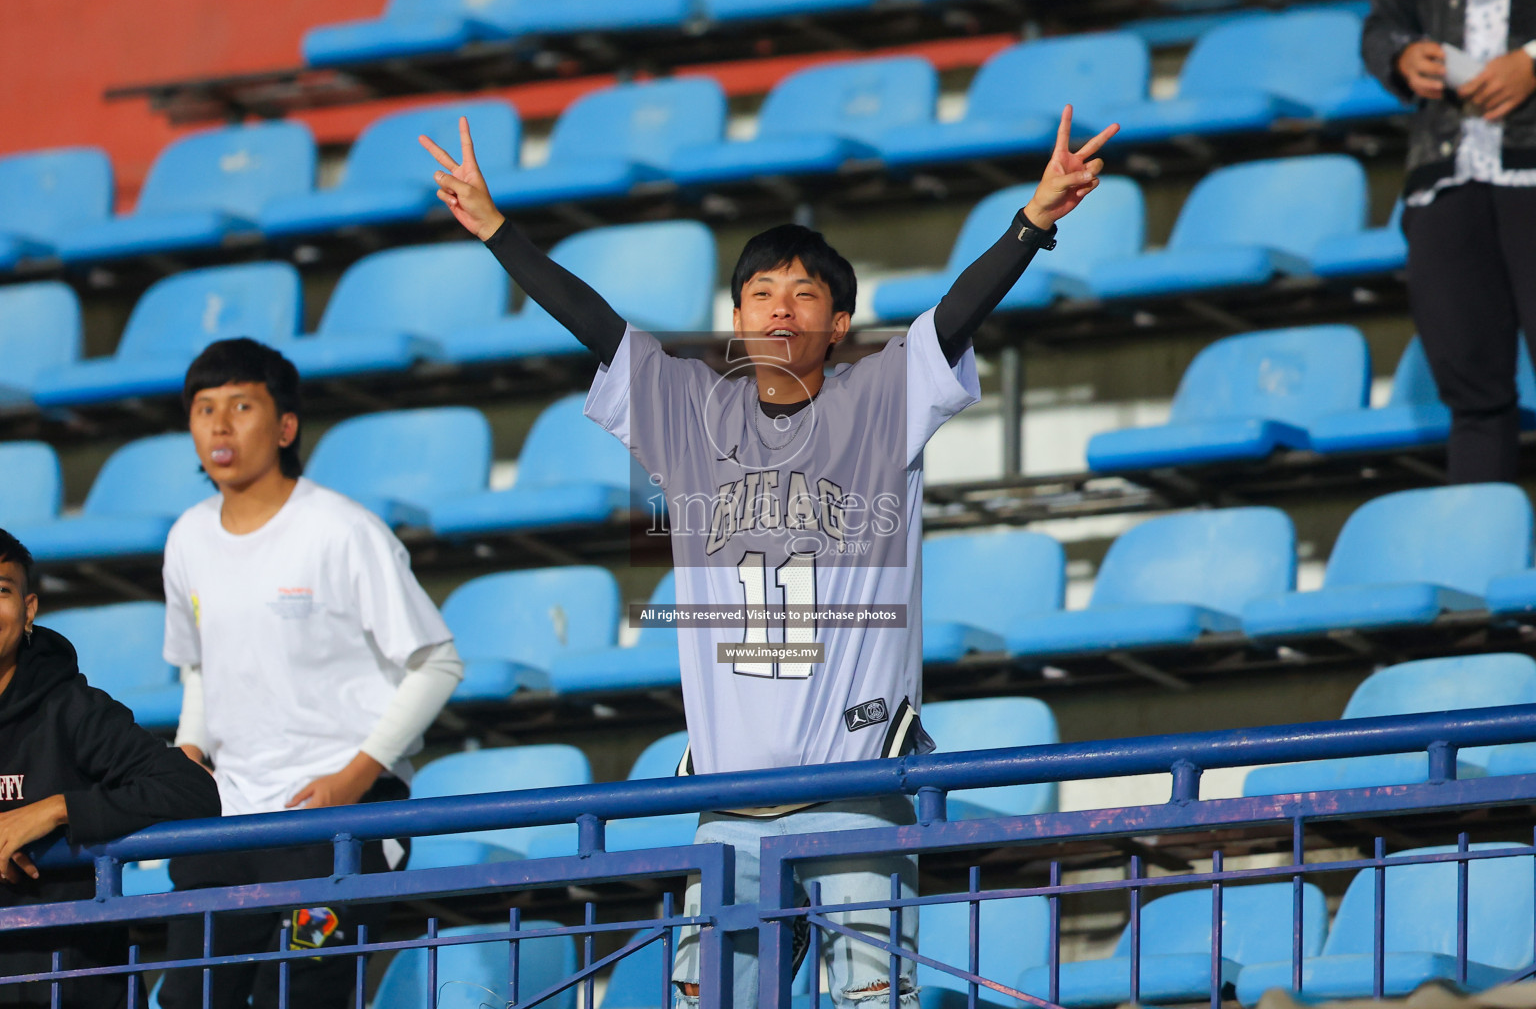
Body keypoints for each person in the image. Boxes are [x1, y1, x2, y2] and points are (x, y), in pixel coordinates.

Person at [421, 107, 1115, 1006]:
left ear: (839, 325)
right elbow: (597, 328)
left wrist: (1034, 222)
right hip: (726, 807)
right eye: (761, 293)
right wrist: (498, 232)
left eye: (805, 294)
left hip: (855, 796)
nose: (780, 308)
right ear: (738, 319)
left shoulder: (882, 400)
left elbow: (958, 313)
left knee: (873, 1001)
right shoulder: (687, 411)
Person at [157, 339, 465, 1009]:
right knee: (187, 1000)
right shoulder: (185, 537)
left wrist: (352, 779)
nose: (219, 424)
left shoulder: (340, 530)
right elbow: (202, 668)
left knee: (296, 1001)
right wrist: (189, 753)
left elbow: (437, 661)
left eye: (241, 405)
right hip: (230, 820)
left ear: (285, 426)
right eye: (204, 408)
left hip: (336, 825)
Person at [0, 529, 221, 1009]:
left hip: (71, 982)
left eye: (1, 590)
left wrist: (57, 810)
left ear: (29, 608)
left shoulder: (70, 708)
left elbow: (192, 790)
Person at [1364, 0, 1536, 483]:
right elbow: (1382, 25)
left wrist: (1530, 60)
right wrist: (1402, 56)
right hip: (1447, 168)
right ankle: (1479, 555)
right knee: (1473, 397)